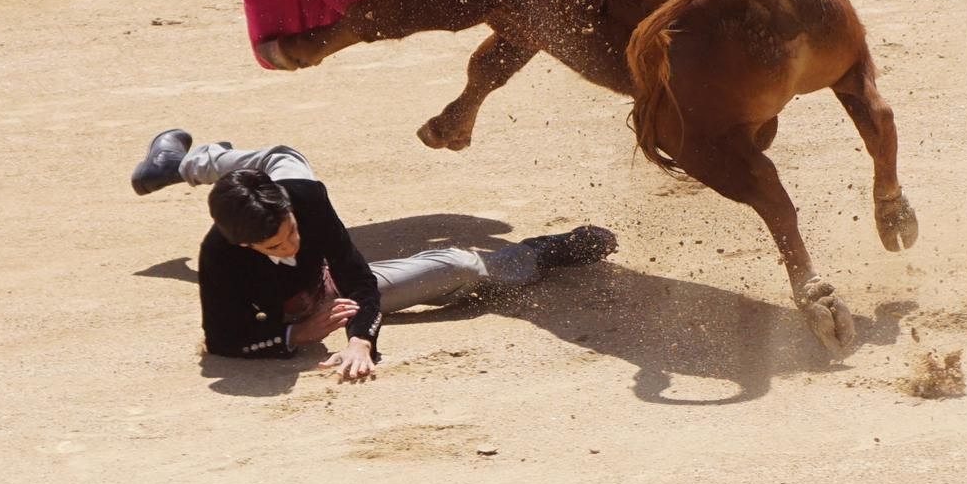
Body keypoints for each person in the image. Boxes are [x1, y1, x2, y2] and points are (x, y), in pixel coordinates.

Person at [131, 129, 617, 380]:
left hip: (305, 226)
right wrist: (297, 334)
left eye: (292, 233)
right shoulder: (220, 255)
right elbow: (222, 338)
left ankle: (183, 163)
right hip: (309, 301)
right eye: (276, 245)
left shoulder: (304, 202)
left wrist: (360, 339)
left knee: (279, 156)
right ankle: (177, 163)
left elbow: (356, 276)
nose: (292, 244)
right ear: (244, 246)